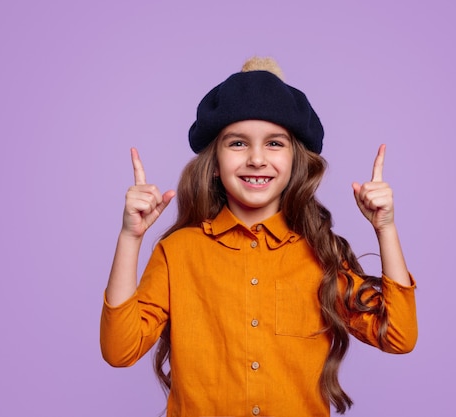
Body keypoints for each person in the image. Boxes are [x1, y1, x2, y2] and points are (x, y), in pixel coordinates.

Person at [100, 57, 417, 417]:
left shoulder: (322, 255)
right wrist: (130, 237)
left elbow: (398, 337)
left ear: (297, 161)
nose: (255, 159)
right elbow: (119, 350)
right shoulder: (178, 252)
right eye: (237, 144)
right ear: (215, 165)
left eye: (274, 144)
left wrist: (385, 229)